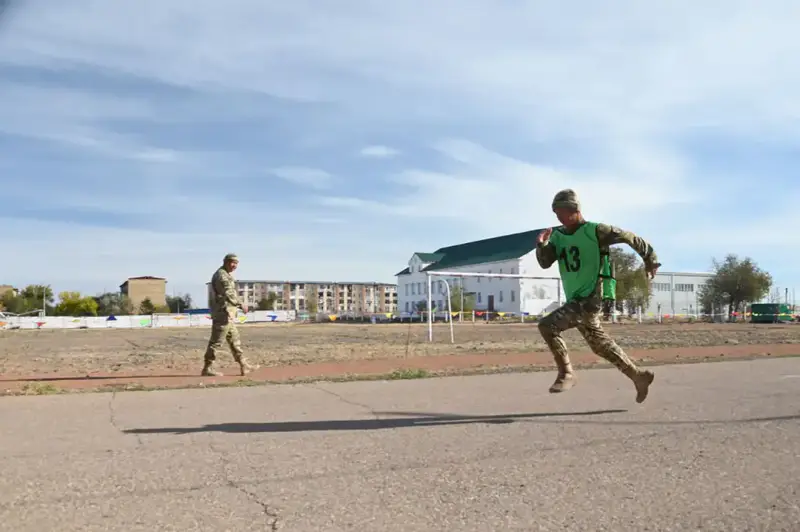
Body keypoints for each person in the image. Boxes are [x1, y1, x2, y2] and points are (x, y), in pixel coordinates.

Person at [535, 189, 660, 403]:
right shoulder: (558, 237)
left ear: (575, 209)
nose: (559, 217)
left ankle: (567, 374)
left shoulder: (596, 231)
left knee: (548, 326)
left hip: (591, 297)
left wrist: (651, 259)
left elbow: (631, 237)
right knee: (599, 345)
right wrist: (541, 245)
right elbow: (545, 262)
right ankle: (638, 376)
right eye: (556, 213)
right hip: (575, 298)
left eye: (562, 212)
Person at [202, 253, 260, 377]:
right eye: (232, 262)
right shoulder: (222, 276)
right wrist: (241, 304)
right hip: (222, 313)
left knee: (234, 340)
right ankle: (207, 367)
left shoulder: (226, 275)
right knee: (216, 342)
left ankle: (244, 365)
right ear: (225, 262)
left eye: (236, 263)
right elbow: (229, 294)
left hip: (227, 314)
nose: (234, 266)